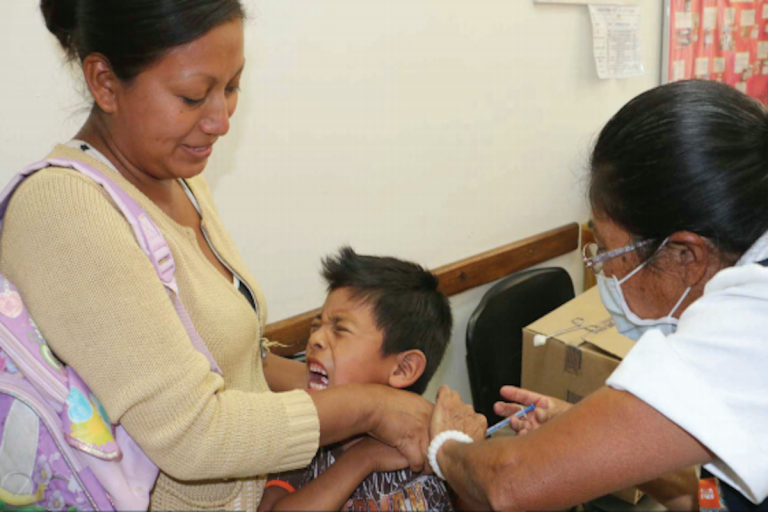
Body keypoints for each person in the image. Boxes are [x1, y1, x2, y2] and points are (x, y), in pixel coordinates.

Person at [2, 2, 435, 510]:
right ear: (104, 82)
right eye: (193, 95)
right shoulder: (65, 209)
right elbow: (193, 436)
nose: (221, 120)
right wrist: (368, 407)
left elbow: (237, 362)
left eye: (231, 88)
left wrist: (383, 395)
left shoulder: (178, 179)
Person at [427, 79, 768, 511]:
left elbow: (511, 484)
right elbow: (710, 498)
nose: (604, 269)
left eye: (609, 250)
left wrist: (445, 446)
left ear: (686, 255)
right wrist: (590, 439)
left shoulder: (749, 323)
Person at [258, 246, 468, 512]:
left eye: (340, 329)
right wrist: (362, 459)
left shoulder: (435, 436)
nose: (314, 340)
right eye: (316, 326)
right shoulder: (307, 435)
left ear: (403, 369)